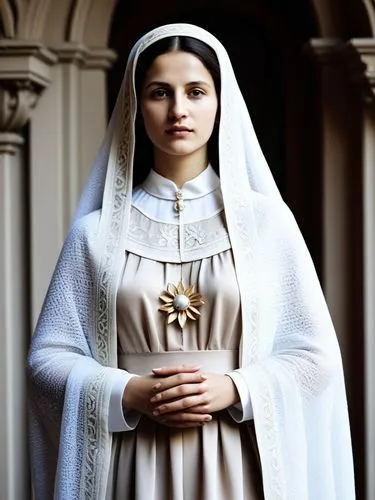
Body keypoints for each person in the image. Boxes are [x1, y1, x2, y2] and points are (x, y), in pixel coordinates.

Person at [27, 23, 355, 500]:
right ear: (136, 107)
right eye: (160, 92)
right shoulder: (94, 234)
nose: (178, 109)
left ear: (221, 103)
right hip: (130, 461)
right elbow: (47, 360)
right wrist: (129, 393)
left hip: (238, 460)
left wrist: (236, 389)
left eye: (196, 91)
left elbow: (315, 359)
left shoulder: (267, 225)